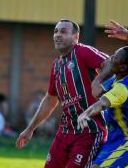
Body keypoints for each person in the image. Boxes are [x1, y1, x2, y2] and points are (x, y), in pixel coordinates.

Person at [16, 19, 109, 167]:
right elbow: (50, 100)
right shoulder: (57, 65)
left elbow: (110, 63)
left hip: (89, 132)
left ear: (75, 37)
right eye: (56, 31)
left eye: (63, 32)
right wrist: (30, 129)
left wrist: (99, 82)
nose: (58, 35)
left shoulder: (83, 52)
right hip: (64, 132)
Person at [77, 20, 128, 168]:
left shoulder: (123, 88)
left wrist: (85, 114)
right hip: (117, 135)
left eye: (116, 57)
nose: (111, 57)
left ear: (123, 67)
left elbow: (101, 104)